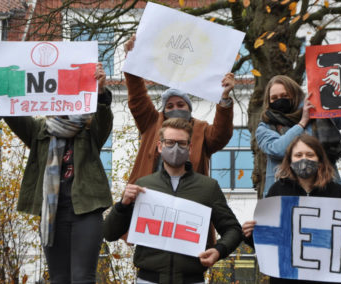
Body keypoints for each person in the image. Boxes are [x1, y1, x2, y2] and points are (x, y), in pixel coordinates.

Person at [0, 63, 113, 283]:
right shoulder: (38, 131)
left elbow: (105, 120)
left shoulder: (89, 129)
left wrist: (100, 92)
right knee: (58, 278)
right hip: (53, 213)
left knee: (83, 277)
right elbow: (11, 114)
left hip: (86, 210)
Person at [103, 118, 242, 284]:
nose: (175, 148)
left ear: (190, 148)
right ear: (160, 146)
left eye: (181, 143)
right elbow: (109, 233)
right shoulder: (143, 186)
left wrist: (218, 250)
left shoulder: (208, 187)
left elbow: (233, 229)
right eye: (169, 142)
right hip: (148, 279)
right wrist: (122, 205)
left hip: (192, 279)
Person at [242, 134, 341, 284]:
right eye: (298, 155)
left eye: (310, 154)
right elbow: (271, 244)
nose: (304, 159)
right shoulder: (277, 191)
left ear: (320, 160)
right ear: (290, 160)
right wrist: (250, 235)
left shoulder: (338, 193)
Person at [123, 34, 235, 184]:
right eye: (170, 106)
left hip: (188, 197)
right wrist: (131, 63)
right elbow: (137, 96)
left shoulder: (202, 130)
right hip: (149, 194)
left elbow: (221, 134)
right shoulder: (151, 122)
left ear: (189, 108)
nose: (175, 108)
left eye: (180, 105)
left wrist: (224, 98)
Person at [255, 75, 341, 197]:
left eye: (285, 96)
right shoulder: (265, 127)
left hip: (325, 193)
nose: (280, 100)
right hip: (285, 195)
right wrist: (302, 123)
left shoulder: (318, 114)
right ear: (268, 101)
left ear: (295, 95)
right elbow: (278, 149)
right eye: (274, 98)